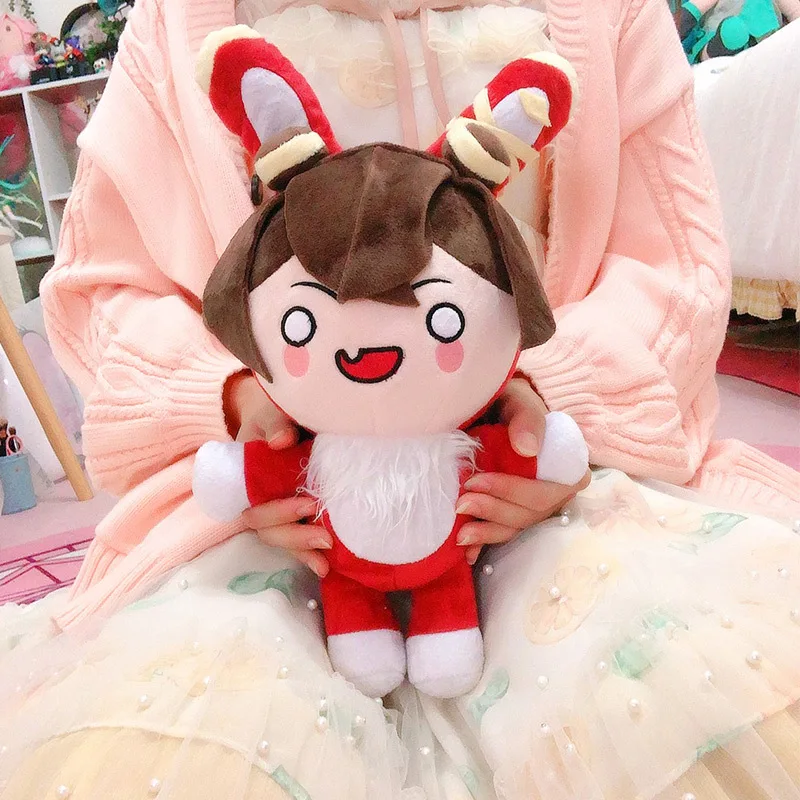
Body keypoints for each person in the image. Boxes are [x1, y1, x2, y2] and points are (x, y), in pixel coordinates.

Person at [1, 0, 799, 798]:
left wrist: (543, 409)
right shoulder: (176, 23)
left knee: (678, 690)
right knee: (197, 746)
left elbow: (676, 262)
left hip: (560, 482)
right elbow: (103, 285)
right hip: (284, 519)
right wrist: (235, 398)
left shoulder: (610, 12)